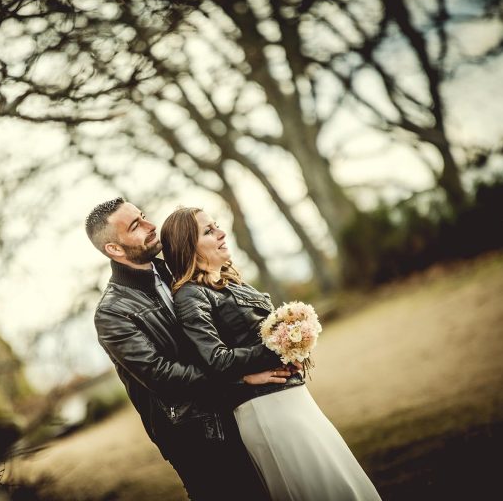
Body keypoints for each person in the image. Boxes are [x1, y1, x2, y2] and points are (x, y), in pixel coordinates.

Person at [160, 206, 383, 501]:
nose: (222, 233)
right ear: (188, 246)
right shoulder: (190, 295)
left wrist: (294, 338)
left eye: (216, 225)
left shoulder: (229, 280)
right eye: (209, 231)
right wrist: (280, 345)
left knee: (335, 479)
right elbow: (216, 359)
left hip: (290, 397)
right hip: (265, 409)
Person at [86, 197, 293, 501]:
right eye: (136, 225)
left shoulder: (178, 270)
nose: (150, 225)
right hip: (197, 437)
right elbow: (163, 377)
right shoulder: (113, 313)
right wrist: (242, 378)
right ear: (114, 249)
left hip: (244, 411)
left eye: (143, 216)